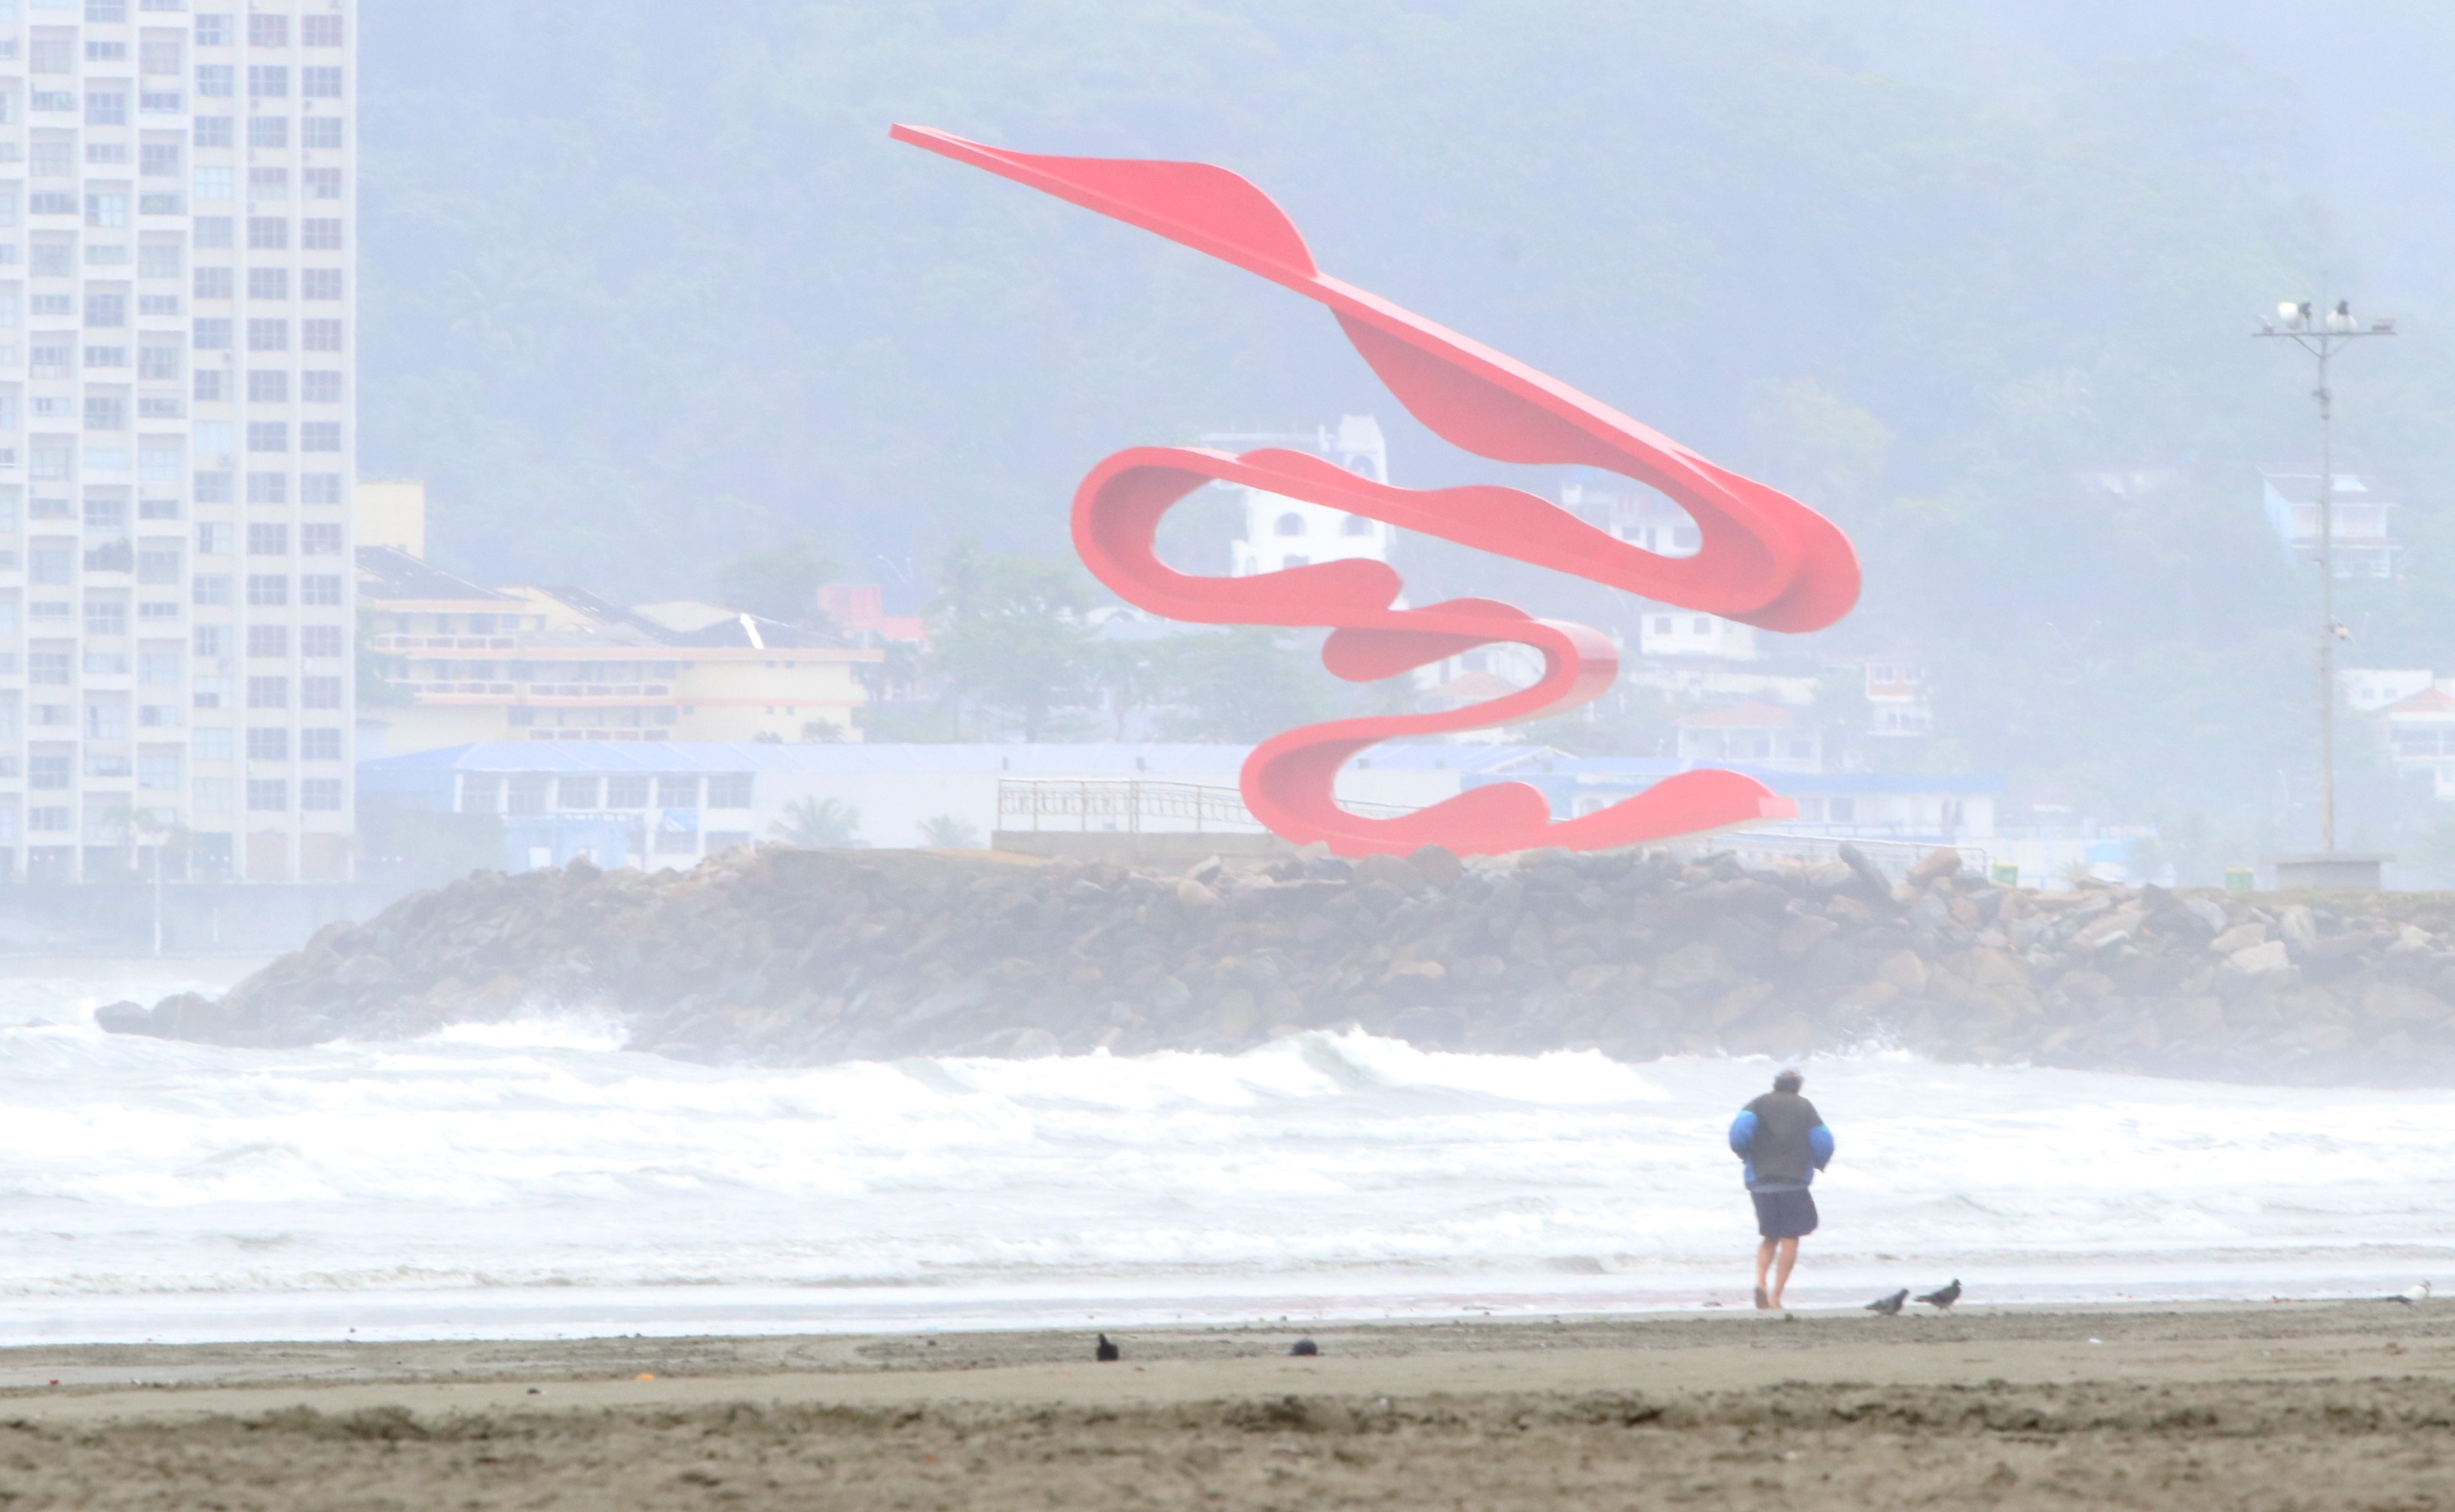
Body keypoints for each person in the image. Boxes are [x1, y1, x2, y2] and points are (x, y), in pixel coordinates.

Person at [1728, 1068, 1833, 1310]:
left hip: (1761, 1181)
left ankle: (1760, 1282)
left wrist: (1746, 1154)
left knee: (1770, 1237)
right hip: (1794, 1182)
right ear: (1798, 1085)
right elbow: (1824, 1140)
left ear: (1776, 1084)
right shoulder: (1805, 1108)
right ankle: (1776, 1297)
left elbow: (1738, 1133)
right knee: (1790, 1239)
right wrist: (1818, 1162)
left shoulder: (1758, 1104)